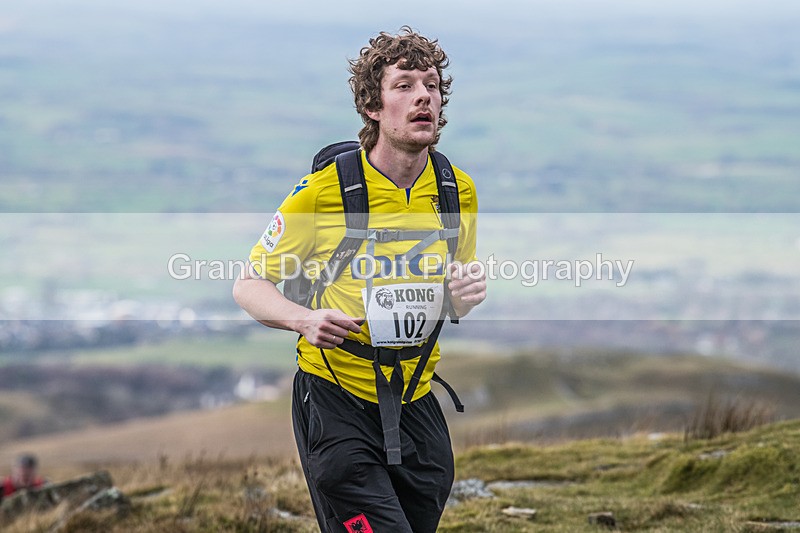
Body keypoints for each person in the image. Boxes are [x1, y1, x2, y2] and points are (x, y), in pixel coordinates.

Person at [233, 26, 486, 532]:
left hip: (416, 399)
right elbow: (249, 285)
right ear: (373, 105)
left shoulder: (457, 190)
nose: (423, 97)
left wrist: (464, 297)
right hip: (335, 400)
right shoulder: (323, 193)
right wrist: (303, 319)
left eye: (432, 85)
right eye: (405, 85)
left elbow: (451, 295)